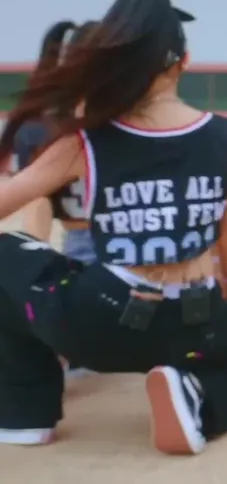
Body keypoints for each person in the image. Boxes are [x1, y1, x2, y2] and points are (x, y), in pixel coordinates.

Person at [0, 0, 227, 451]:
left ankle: (24, 412)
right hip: (195, 325)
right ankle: (193, 395)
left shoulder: (86, 140)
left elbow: (11, 199)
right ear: (184, 62)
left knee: (8, 254)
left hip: (102, 325)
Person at [10, 19, 100, 381]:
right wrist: (36, 261)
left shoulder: (124, 122)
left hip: (129, 243)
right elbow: (38, 201)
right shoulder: (44, 131)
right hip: (86, 244)